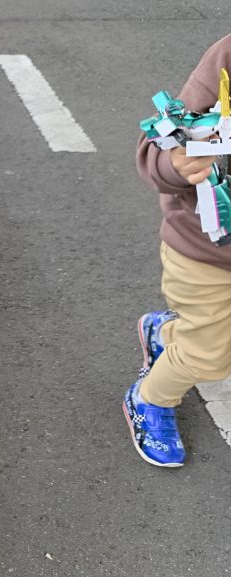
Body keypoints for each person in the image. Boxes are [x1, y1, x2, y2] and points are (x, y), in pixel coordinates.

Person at [124, 34, 231, 468]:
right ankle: (150, 397)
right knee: (211, 355)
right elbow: (159, 146)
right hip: (207, 253)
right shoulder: (229, 57)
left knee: (205, 337)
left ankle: (164, 334)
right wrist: (176, 165)